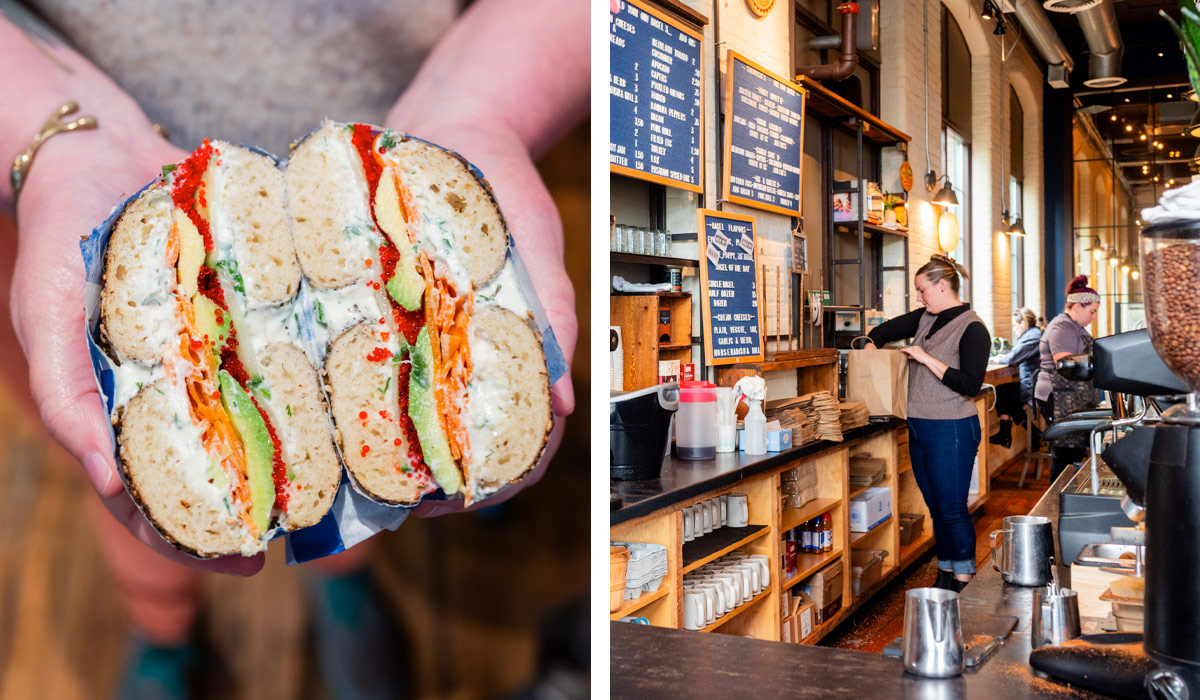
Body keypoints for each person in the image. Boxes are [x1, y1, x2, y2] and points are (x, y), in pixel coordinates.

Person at [0, 1, 585, 697]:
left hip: (410, 101)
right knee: (113, 472)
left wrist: (485, 106)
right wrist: (47, 136)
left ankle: (344, 589)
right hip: (69, 138)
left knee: (335, 489)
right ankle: (161, 632)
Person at [865, 254, 990, 592]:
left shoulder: (973, 328)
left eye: (922, 290)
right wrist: (868, 346)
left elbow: (970, 385)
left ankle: (964, 581)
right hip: (920, 425)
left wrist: (924, 357)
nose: (918, 297)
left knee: (952, 508)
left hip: (952, 428)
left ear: (942, 286)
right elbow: (885, 330)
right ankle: (946, 572)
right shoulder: (924, 318)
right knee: (935, 507)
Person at [1034, 276, 1103, 483]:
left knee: (1073, 454)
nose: (1094, 317)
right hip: (1060, 399)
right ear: (1078, 307)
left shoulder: (1075, 328)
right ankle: (1056, 501)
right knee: (1065, 453)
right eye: (1092, 311)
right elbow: (1067, 364)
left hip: (1073, 399)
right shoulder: (1062, 327)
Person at [989, 308, 1044, 449]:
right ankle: (1025, 434)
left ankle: (1007, 434)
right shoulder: (1034, 335)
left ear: (1023, 324)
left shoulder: (1033, 336)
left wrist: (997, 359)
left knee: (1004, 393)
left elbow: (1013, 358)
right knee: (1007, 394)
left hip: (1035, 389)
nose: (1014, 330)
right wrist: (1004, 357)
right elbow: (1016, 355)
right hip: (1035, 385)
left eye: (1014, 325)